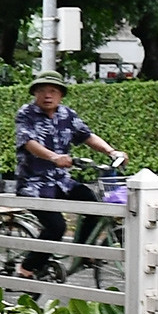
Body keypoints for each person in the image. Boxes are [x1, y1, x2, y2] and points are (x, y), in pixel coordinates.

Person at [15, 71, 123, 278]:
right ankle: (26, 267)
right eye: (43, 91)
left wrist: (111, 151)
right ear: (35, 93)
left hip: (61, 182)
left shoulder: (67, 114)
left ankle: (82, 251)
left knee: (93, 205)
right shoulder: (26, 113)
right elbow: (29, 143)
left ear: (61, 95)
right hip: (33, 184)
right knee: (56, 227)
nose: (48, 95)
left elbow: (87, 136)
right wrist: (54, 157)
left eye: (53, 91)